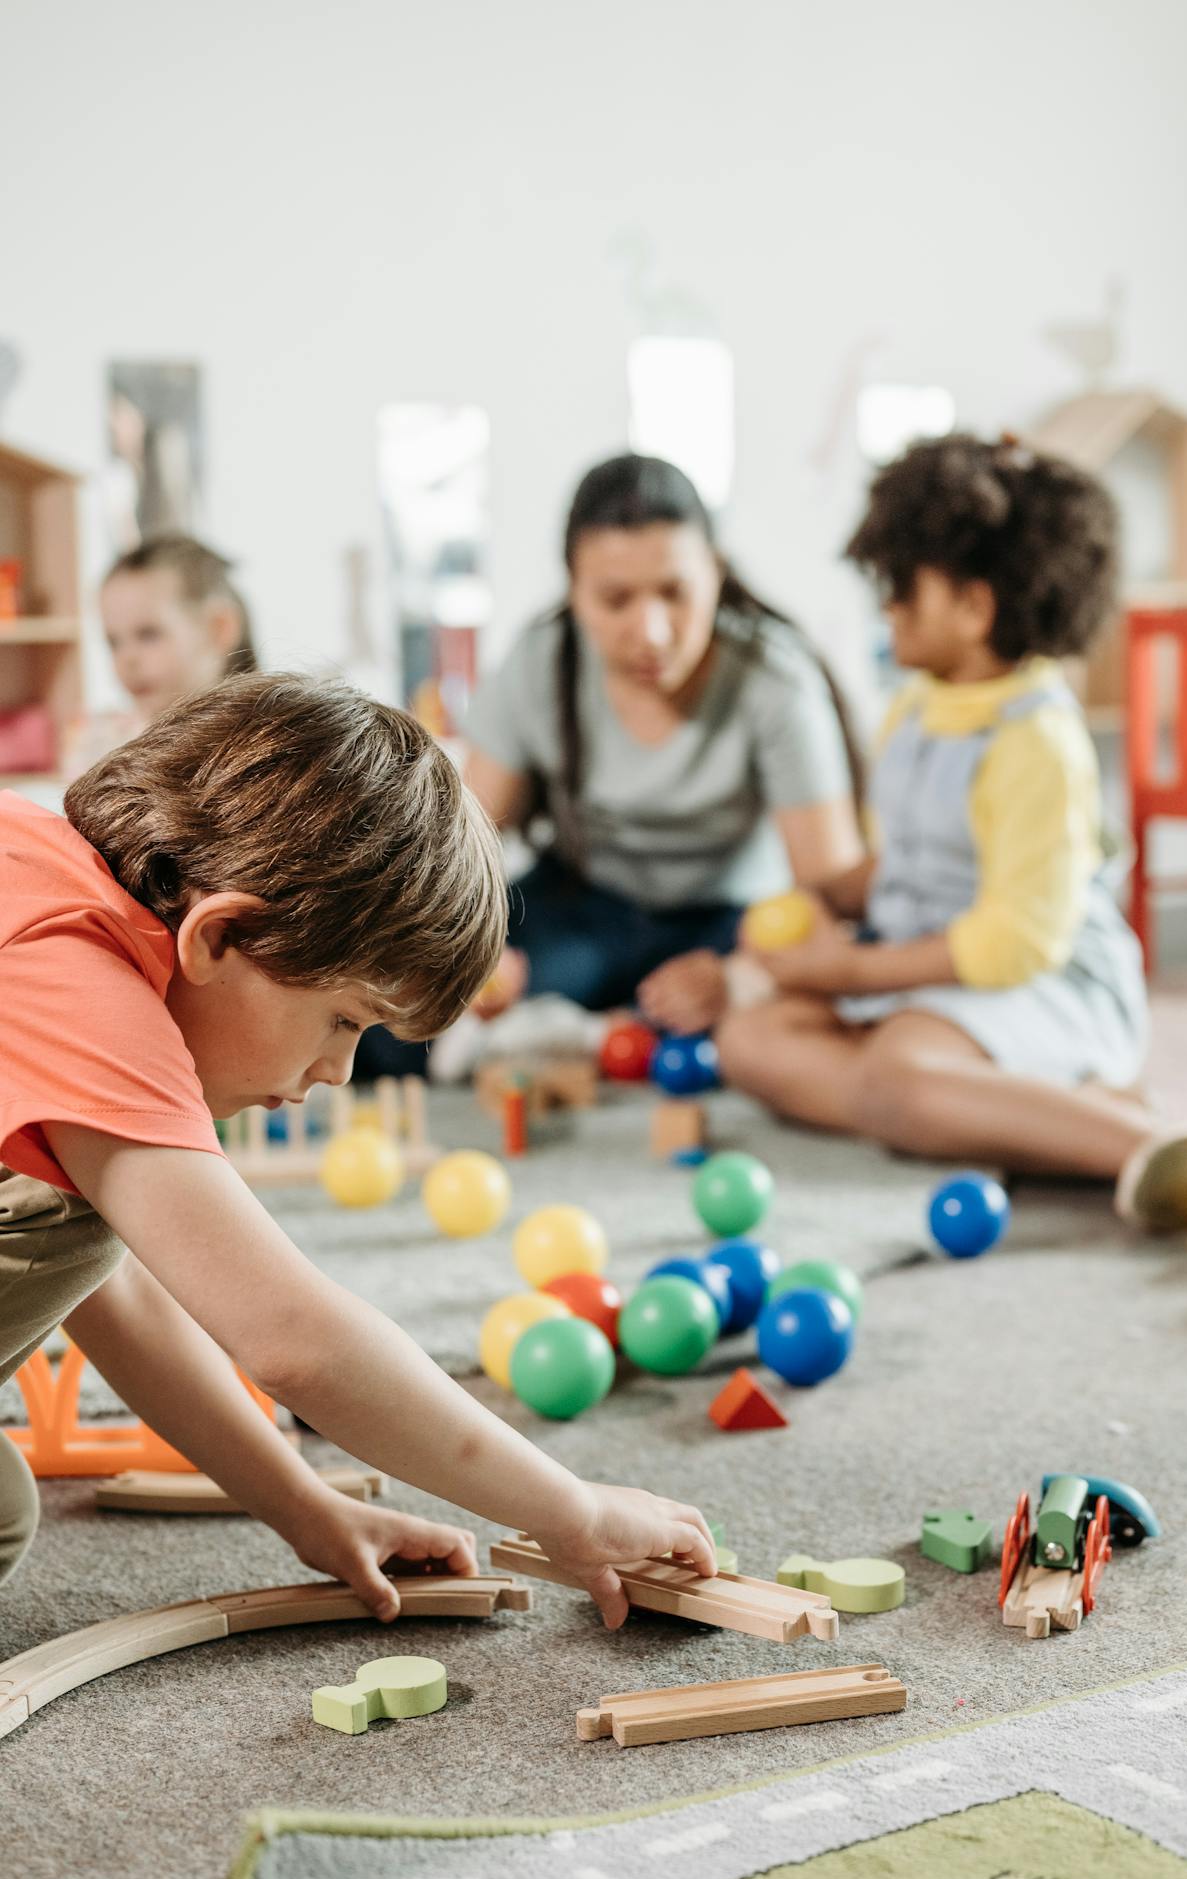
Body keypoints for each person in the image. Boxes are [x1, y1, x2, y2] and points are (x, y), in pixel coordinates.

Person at [0, 675, 714, 1613]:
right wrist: (567, 1508)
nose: (339, 1071)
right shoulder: (80, 988)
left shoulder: (33, 863)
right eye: (343, 1020)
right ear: (219, 934)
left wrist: (301, 1505)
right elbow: (291, 1339)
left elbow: (119, 1294)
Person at [716, 433, 1187, 1226]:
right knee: (749, 1039)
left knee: (898, 1070)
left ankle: (1144, 1145)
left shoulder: (1035, 741)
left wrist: (849, 972)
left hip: (1039, 985)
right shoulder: (915, 706)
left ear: (974, 608)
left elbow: (1012, 942)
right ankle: (1020, 1110)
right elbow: (909, 860)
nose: (886, 606)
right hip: (931, 983)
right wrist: (829, 899)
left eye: (902, 588)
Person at [465, 452, 866, 1030]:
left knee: (789, 1016)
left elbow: (832, 892)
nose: (651, 633)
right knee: (408, 1016)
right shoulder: (540, 660)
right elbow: (463, 849)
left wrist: (738, 978)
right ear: (574, 591)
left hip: (728, 919)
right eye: (616, 600)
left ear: (716, 574)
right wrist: (477, 950)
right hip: (584, 906)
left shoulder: (774, 678)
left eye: (675, 592)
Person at [65, 535, 259, 774]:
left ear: (219, 629)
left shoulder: (258, 742)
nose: (128, 658)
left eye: (148, 635)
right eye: (113, 642)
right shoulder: (106, 742)